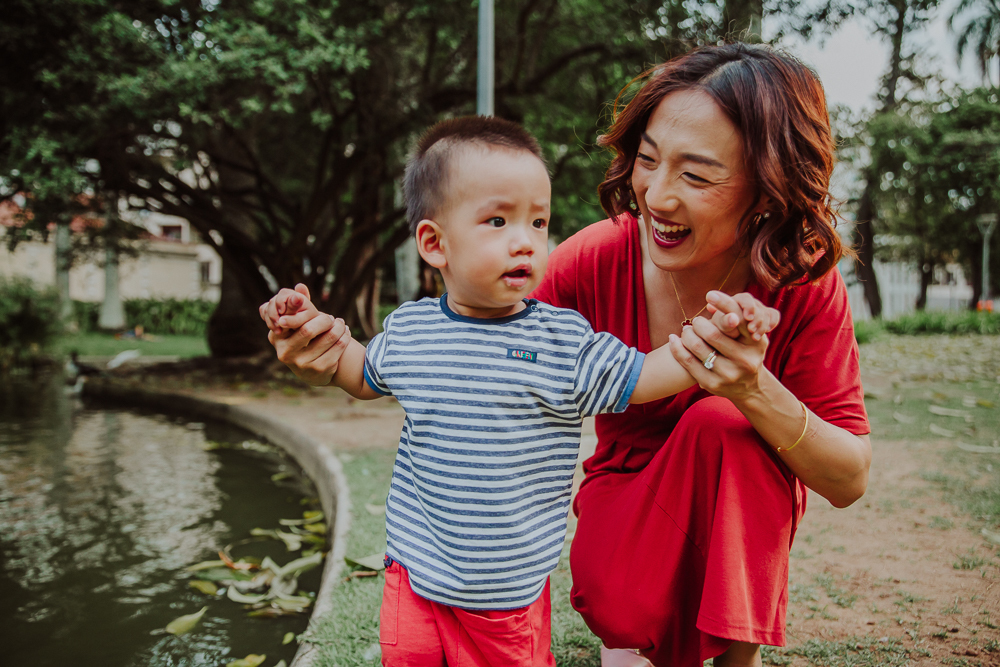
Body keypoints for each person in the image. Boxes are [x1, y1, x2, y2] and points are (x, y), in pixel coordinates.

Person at [259, 115, 779, 667]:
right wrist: (311, 332)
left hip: (505, 599)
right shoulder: (412, 330)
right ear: (435, 243)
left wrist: (715, 338)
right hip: (414, 575)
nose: (525, 242)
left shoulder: (562, 341)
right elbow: (363, 374)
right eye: (498, 220)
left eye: (537, 223)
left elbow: (644, 376)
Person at [527, 43, 872, 667]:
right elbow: (496, 357)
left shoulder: (802, 283)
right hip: (627, 493)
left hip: (742, 509)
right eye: (648, 161)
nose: (656, 196)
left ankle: (740, 658)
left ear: (767, 190)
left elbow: (849, 479)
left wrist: (752, 388)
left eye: (696, 175)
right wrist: (349, 361)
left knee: (728, 425)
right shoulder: (593, 260)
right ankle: (640, 624)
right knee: (623, 617)